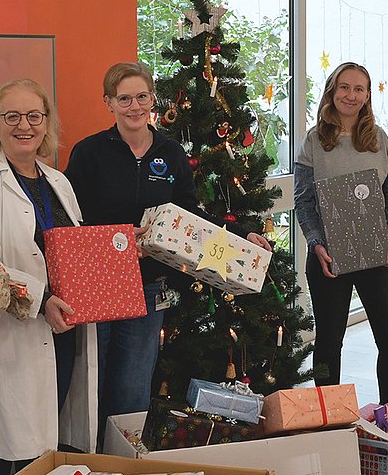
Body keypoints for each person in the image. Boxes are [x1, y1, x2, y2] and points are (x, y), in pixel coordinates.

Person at [65, 61, 271, 436]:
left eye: (141, 96)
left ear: (152, 99)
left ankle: (124, 460)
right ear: (108, 103)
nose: (134, 106)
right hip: (99, 283)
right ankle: (89, 460)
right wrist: (119, 242)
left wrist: (242, 233)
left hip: (148, 286)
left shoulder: (171, 152)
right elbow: (72, 219)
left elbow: (190, 216)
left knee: (132, 389)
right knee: (91, 384)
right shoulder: (89, 153)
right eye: (124, 99)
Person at [0, 78, 97, 475]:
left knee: (44, 450)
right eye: (11, 116)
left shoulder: (59, 182)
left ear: (46, 123)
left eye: (34, 116)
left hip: (61, 331)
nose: (24, 126)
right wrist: (41, 300)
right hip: (10, 334)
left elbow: (74, 248)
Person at [293, 61, 388, 401]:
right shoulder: (314, 140)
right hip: (328, 256)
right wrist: (316, 243)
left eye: (359, 89)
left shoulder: (379, 139)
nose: (351, 95)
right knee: (329, 342)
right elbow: (303, 199)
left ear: (368, 95)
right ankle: (331, 418)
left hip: (375, 253)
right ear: (332, 90)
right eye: (344, 87)